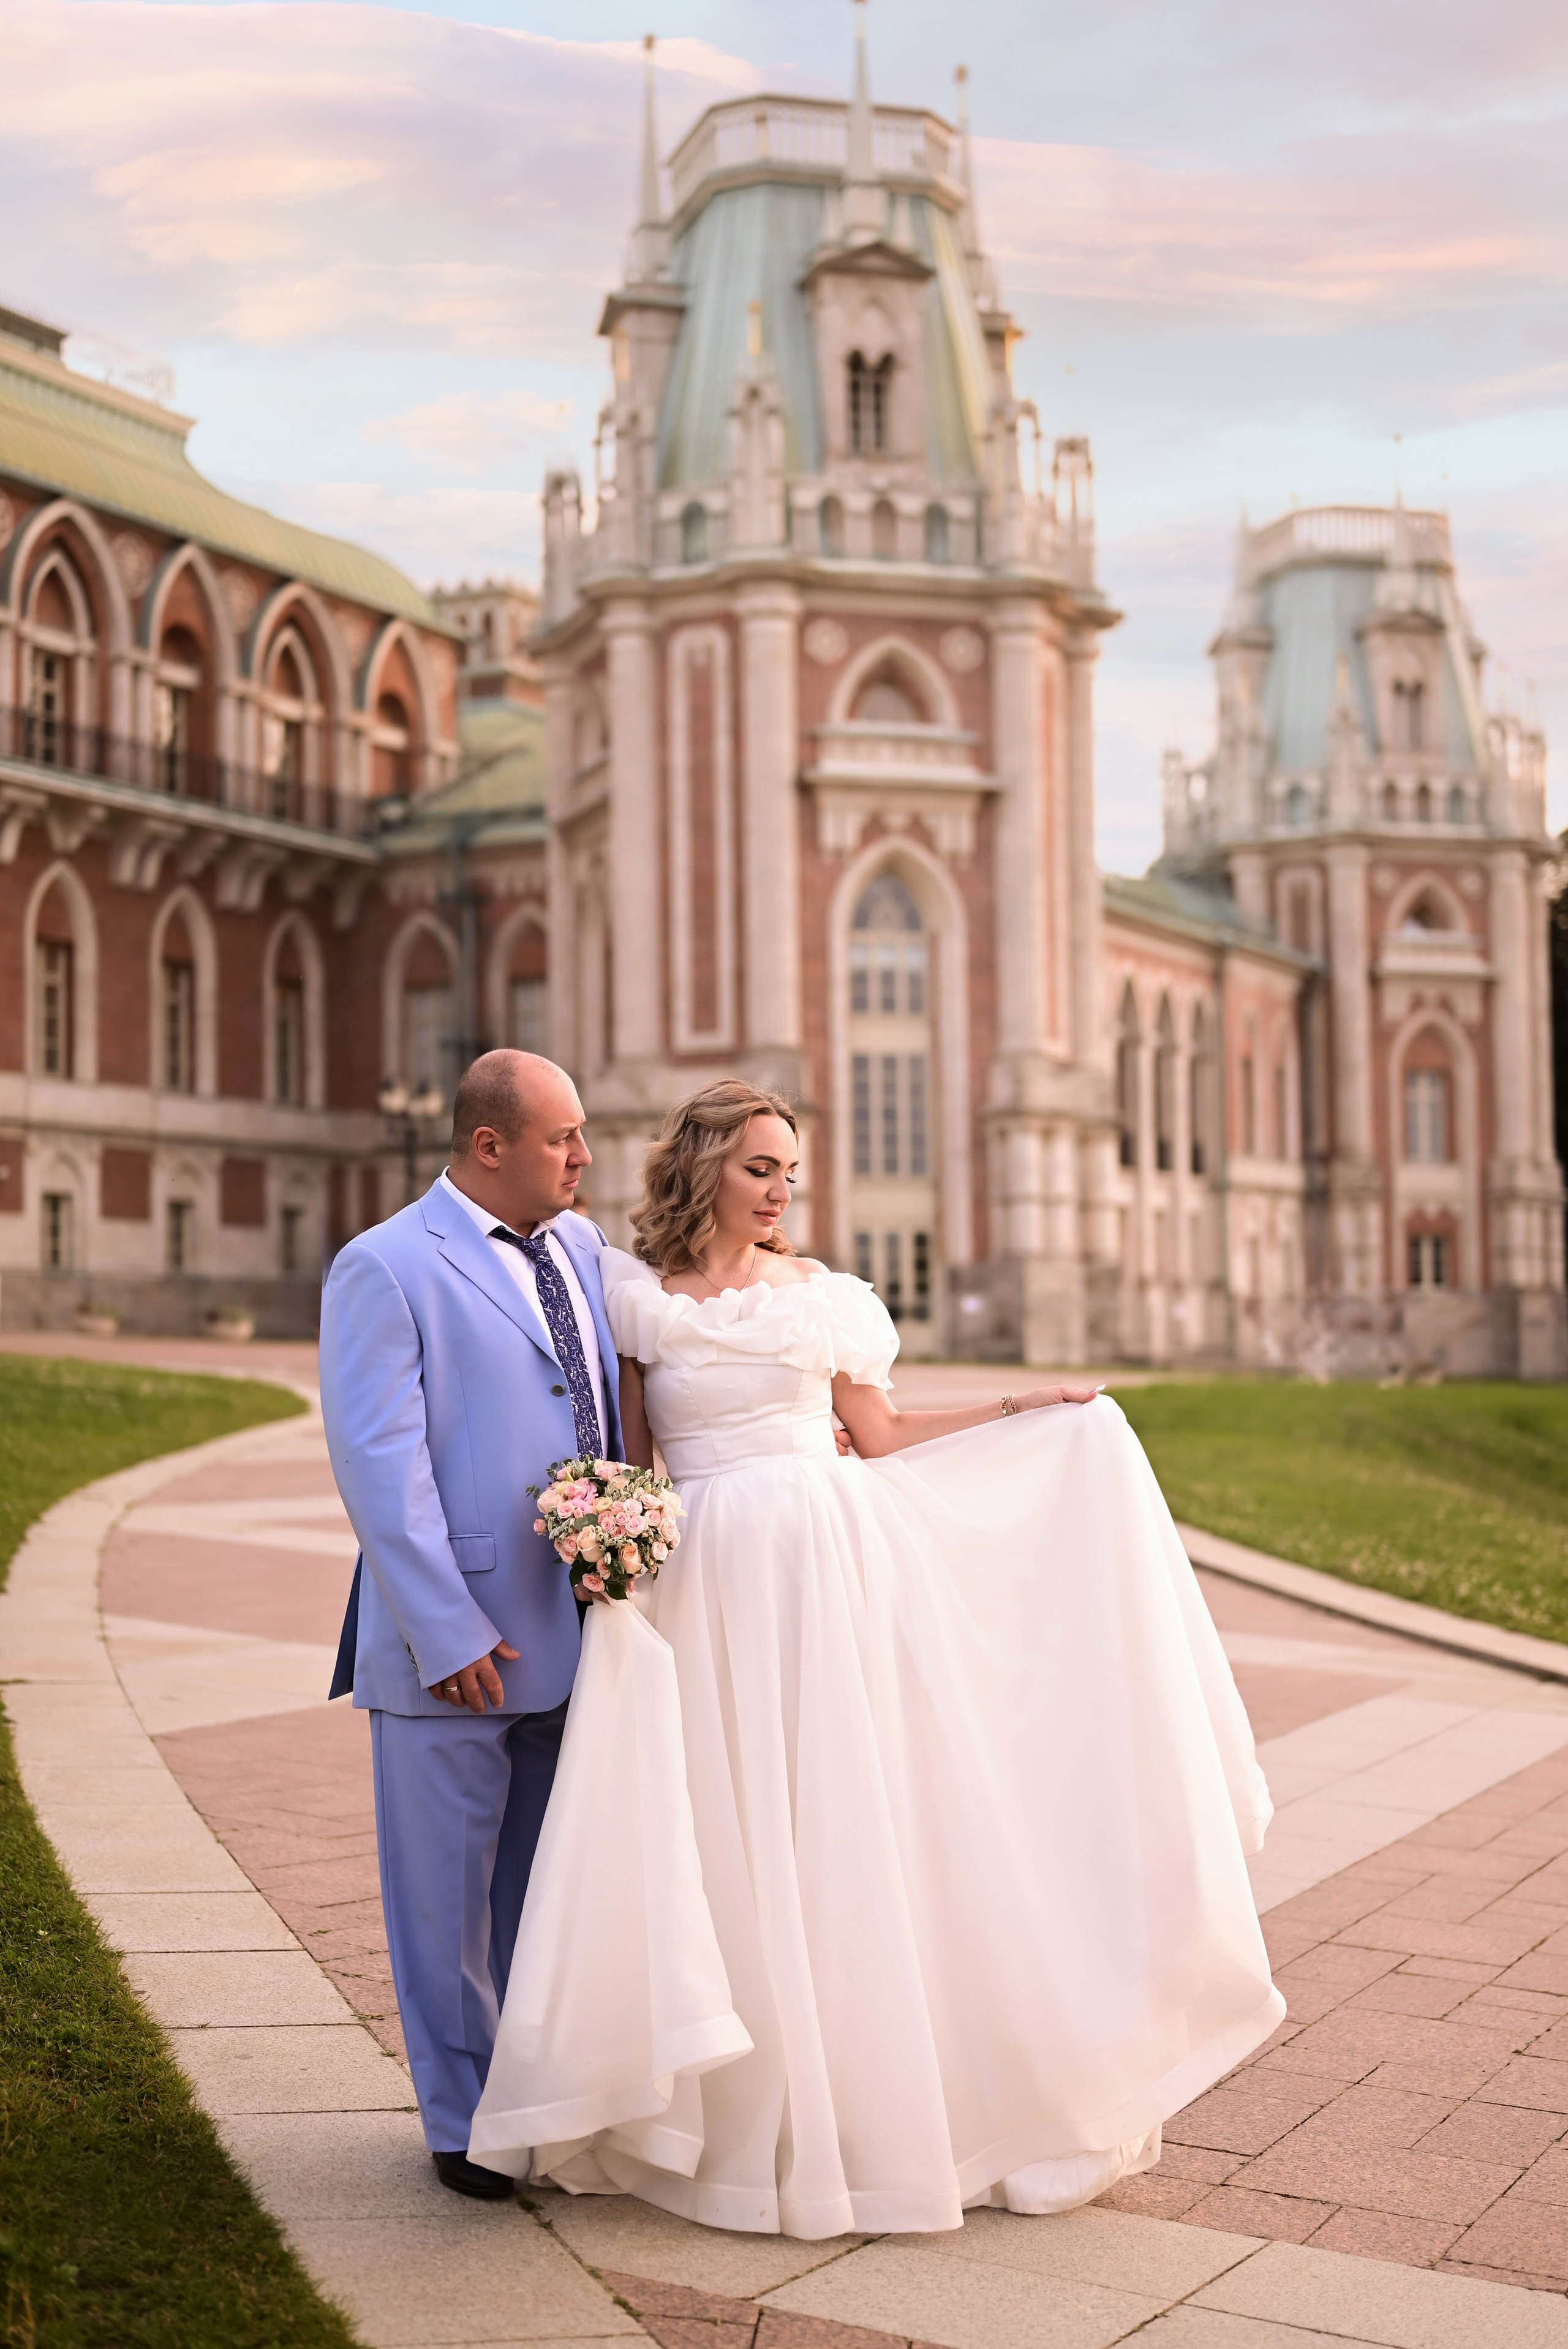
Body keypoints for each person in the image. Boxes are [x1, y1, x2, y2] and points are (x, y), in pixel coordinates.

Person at [469, 1078, 1283, 2237]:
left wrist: (1026, 1407)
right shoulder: (636, 1299)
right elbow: (638, 1458)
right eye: (759, 1167)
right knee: (723, 1829)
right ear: (703, 1165)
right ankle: (740, 2106)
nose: (778, 1191)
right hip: (705, 1583)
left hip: (825, 1569)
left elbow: (883, 1434)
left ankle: (872, 2108)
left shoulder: (829, 1299)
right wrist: (616, 1538)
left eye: (790, 1173)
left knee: (840, 1823)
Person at [319, 1050, 624, 2199]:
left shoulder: (584, 1250)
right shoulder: (387, 1266)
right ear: (489, 1146)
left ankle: (531, 2093)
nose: (583, 1157)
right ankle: (462, 2125)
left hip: (578, 1624)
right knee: (444, 1898)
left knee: (535, 1889)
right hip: (451, 1644)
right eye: (563, 1139)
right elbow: (379, 1464)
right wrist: (443, 1630)